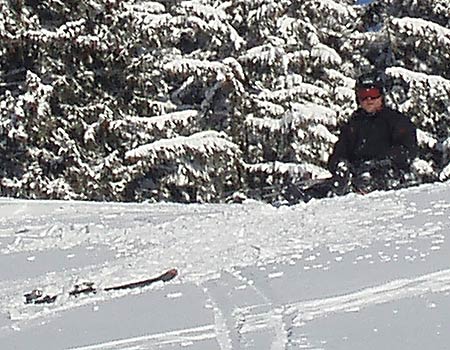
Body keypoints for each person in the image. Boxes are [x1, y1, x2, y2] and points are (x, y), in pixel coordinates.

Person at [327, 70, 418, 193]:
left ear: (382, 95)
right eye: (364, 95)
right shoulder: (353, 125)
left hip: (387, 178)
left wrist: (379, 162)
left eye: (373, 94)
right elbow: (339, 153)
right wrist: (340, 165)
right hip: (355, 179)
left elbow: (407, 150)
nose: (369, 99)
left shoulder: (395, 120)